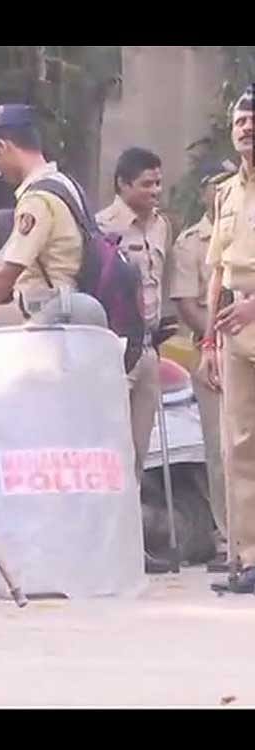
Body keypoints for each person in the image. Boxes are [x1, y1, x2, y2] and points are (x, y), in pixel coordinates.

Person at [0, 104, 85, 331]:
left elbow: (7, 273)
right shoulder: (66, 185)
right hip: (70, 312)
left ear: (3, 147)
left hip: (52, 321)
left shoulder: (37, 199)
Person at [199, 85, 255, 595]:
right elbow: (216, 268)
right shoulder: (226, 192)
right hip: (235, 323)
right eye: (240, 119)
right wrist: (209, 342)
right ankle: (248, 557)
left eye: (253, 118)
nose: (247, 126)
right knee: (238, 444)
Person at [168, 159, 237, 569]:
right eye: (216, 185)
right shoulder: (190, 242)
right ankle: (230, 539)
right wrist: (214, 336)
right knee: (219, 448)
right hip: (210, 351)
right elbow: (186, 301)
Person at [96, 147, 175, 486]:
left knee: (139, 453)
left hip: (148, 350)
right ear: (122, 185)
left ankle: (131, 536)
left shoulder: (161, 226)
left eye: (158, 183)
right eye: (146, 184)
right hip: (114, 350)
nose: (155, 191)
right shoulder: (101, 227)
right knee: (108, 449)